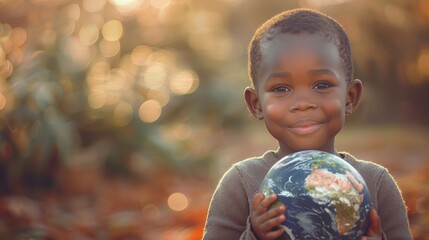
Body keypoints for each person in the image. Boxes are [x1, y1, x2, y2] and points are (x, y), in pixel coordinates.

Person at [202, 8, 413, 240]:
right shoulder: (240, 185)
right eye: (281, 88)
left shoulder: (377, 185)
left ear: (350, 97)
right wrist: (255, 235)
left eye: (321, 85)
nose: (302, 103)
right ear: (256, 104)